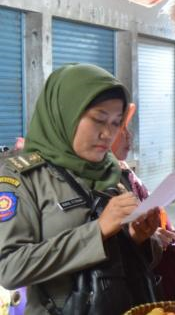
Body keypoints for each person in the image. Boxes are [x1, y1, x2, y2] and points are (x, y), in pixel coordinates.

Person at [0, 63, 162, 314]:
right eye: (98, 119)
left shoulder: (113, 171)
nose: (108, 133)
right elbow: (9, 268)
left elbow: (131, 262)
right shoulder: (23, 178)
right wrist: (95, 232)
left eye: (116, 122)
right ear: (65, 114)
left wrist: (138, 238)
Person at [112, 124, 175, 301]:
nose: (129, 135)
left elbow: (160, 227)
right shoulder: (103, 185)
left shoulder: (126, 173)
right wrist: (157, 240)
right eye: (120, 127)